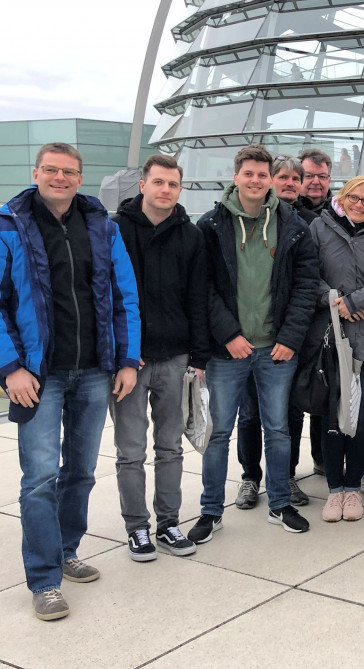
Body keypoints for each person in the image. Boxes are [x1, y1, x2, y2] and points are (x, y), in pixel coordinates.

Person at [0, 142, 141, 621]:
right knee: (39, 478)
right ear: (35, 172)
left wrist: (127, 360)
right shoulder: (9, 226)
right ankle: (43, 580)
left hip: (94, 370)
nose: (61, 178)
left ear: (81, 178)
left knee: (80, 471)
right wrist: (10, 367)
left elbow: (124, 296)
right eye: (52, 170)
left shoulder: (102, 226)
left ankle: (66, 549)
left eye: (70, 172)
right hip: (39, 375)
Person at [191, 144, 318, 543]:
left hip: (276, 348)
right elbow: (203, 287)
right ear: (236, 177)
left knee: (278, 429)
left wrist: (289, 337)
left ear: (270, 180)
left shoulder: (294, 226)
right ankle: (211, 511)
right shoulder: (210, 226)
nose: (256, 180)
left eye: (263, 175)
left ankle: (280, 503)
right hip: (228, 350)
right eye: (249, 173)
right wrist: (228, 334)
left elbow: (305, 286)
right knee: (219, 432)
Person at [111, 154, 208, 562]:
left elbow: (198, 298)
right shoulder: (114, 230)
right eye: (159, 183)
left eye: (172, 184)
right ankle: (137, 528)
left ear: (179, 189)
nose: (165, 190)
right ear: (143, 186)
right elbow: (107, 297)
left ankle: (168, 523)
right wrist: (120, 356)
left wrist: (198, 358)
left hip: (174, 357)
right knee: (130, 450)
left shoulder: (190, 235)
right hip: (129, 362)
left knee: (170, 446)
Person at [234, 154, 321, 509]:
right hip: (247, 339)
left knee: (289, 414)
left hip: (289, 339)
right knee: (250, 413)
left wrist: (291, 337)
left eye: (294, 179)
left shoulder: (307, 223)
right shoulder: (248, 219)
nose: (288, 183)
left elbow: (306, 284)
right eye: (282, 177)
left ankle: (285, 475)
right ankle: (250, 478)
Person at [308, 176, 364, 522]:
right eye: (354, 198)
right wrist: (336, 302)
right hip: (330, 337)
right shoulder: (319, 228)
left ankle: (354, 488)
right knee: (332, 416)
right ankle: (334, 490)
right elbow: (309, 274)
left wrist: (355, 302)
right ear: (341, 199)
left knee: (360, 417)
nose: (360, 205)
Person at [297, 149, 333, 218]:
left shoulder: (342, 214)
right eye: (309, 176)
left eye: (322, 176)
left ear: (329, 181)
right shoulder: (284, 213)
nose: (316, 182)